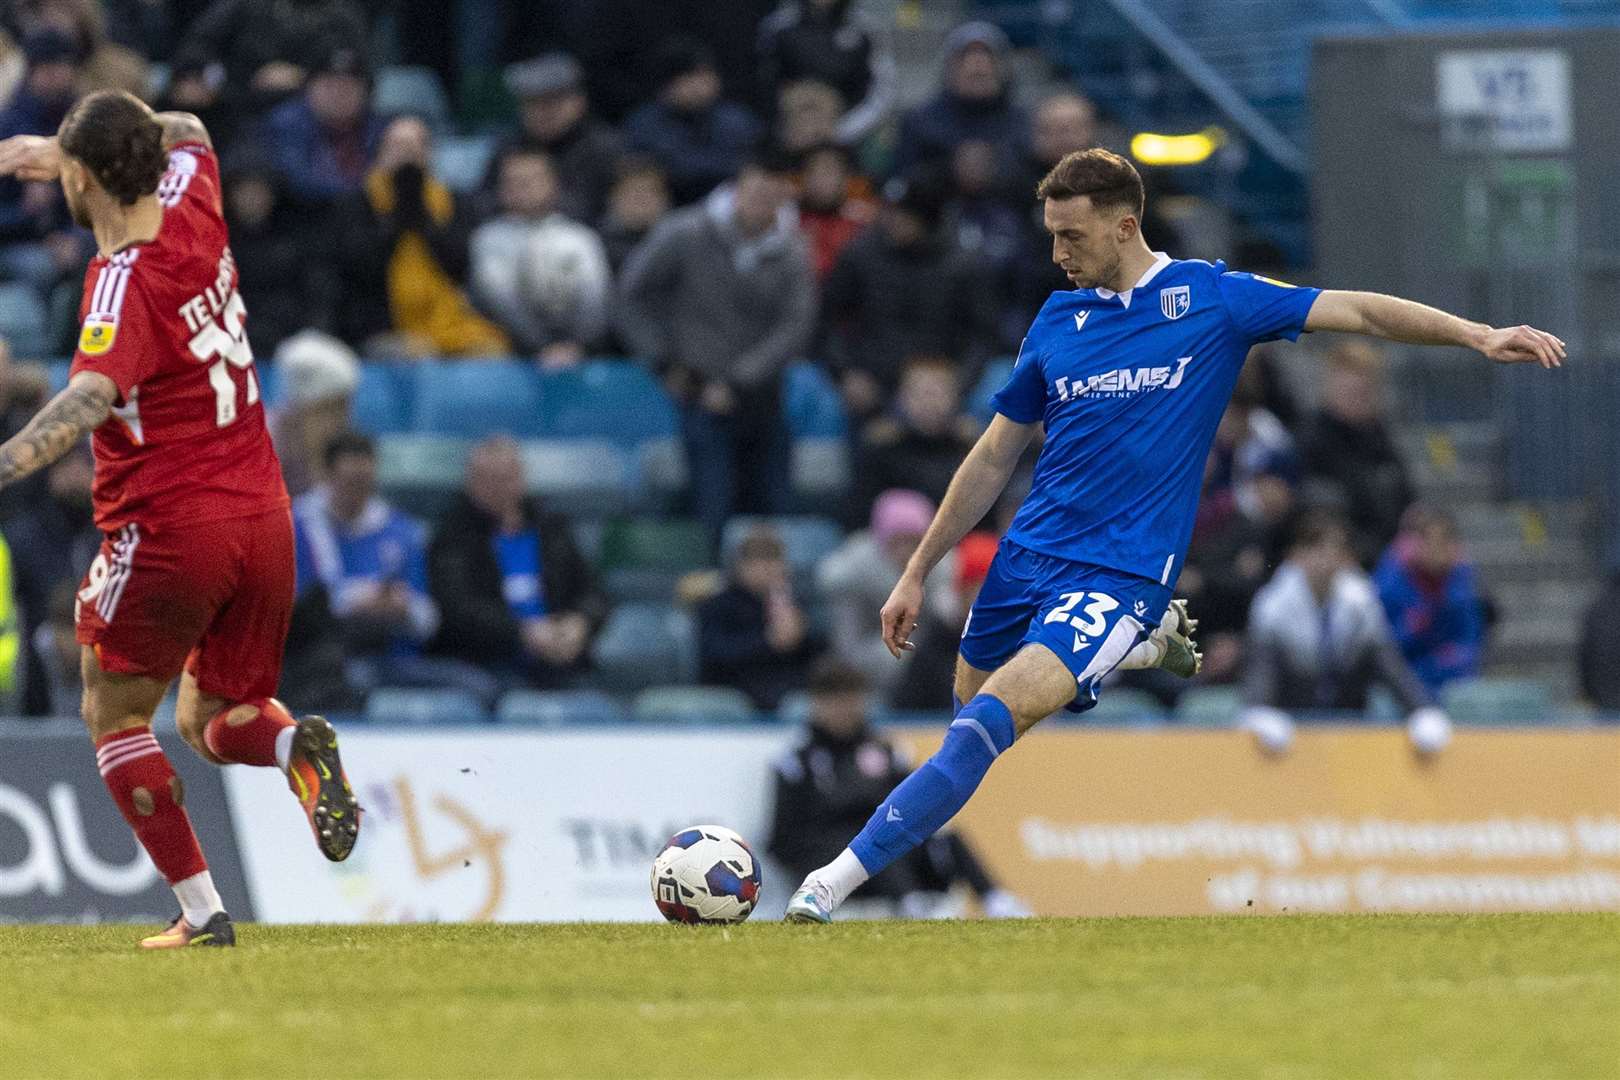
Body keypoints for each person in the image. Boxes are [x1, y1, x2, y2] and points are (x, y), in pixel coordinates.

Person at [781, 147, 1564, 923]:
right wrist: (918, 569)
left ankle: (828, 884)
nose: (1056, 254)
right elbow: (995, 453)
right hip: (1025, 559)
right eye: (1050, 235)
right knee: (969, 720)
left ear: (1125, 227)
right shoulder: (1058, 319)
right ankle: (1146, 645)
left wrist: (1476, 334)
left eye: (1072, 237)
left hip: (1119, 570)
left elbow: (1353, 310)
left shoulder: (1212, 299)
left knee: (987, 723)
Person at [0, 92, 368, 947]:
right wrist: (69, 144)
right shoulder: (196, 199)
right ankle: (292, 750)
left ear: (81, 177)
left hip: (172, 527)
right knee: (211, 719)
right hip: (266, 517)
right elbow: (194, 128)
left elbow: (92, 393)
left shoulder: (122, 280)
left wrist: (7, 458)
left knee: (115, 713)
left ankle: (202, 915)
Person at [618, 153, 814, 544]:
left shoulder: (792, 251)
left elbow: (795, 325)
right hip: (696, 390)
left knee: (775, 511)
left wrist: (739, 381)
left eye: (774, 195)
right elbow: (630, 296)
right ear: (739, 187)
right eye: (757, 190)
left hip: (763, 398)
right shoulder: (686, 232)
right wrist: (664, 362)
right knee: (713, 506)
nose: (763, 202)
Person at [767, 656, 1027, 919]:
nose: (844, 708)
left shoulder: (887, 751)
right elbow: (784, 837)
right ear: (816, 703)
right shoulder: (797, 761)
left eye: (850, 697)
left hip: (894, 851)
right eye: (834, 699)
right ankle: (911, 904)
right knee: (869, 836)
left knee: (944, 837)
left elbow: (920, 804)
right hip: (832, 858)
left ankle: (997, 900)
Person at [292, 432, 497, 706]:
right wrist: (360, 602)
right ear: (328, 477)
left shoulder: (402, 532)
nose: (358, 491)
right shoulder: (300, 528)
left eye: (366, 481)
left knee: (479, 687)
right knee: (344, 685)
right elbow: (301, 609)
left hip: (398, 659)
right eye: (350, 482)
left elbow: (429, 618)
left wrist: (404, 607)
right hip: (331, 662)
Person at [1244, 511, 1444, 749]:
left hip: (1350, 724)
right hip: (1288, 727)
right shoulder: (1272, 606)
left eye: (1335, 550)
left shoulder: (1361, 601)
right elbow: (1261, 670)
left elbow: (1389, 664)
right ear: (1297, 555)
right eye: (1318, 549)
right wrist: (1260, 712)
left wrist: (1422, 710)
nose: (1327, 558)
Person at [427, 436, 603, 689]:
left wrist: (579, 622)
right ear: (471, 483)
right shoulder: (452, 536)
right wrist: (522, 633)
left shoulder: (552, 529)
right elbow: (456, 608)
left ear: (521, 478)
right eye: (488, 479)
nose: (498, 488)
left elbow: (593, 591)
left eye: (506, 477)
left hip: (562, 660)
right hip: (485, 663)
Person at [821, 171, 996, 420]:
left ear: (927, 218)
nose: (893, 221)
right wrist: (847, 372)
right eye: (889, 212)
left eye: (904, 215)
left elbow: (983, 335)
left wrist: (957, 383)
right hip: (871, 380)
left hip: (941, 379)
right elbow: (828, 321)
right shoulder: (860, 255)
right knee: (820, 397)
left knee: (998, 390)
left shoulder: (962, 264)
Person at [331, 114, 509, 358]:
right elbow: (360, 268)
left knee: (493, 353)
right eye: (398, 147)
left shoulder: (452, 201)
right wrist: (397, 216)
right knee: (417, 356)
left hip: (450, 322)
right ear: (381, 152)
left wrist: (421, 214)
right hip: (381, 327)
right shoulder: (356, 203)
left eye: (415, 146)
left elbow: (459, 266)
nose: (407, 156)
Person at [471, 145, 611, 366]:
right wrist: (541, 347)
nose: (521, 188)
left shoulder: (580, 237)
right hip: (512, 355)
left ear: (553, 184)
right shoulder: (487, 238)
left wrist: (578, 346)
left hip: (579, 353)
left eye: (531, 180)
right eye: (512, 181)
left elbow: (594, 299)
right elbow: (499, 300)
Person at [817, 488, 955, 698]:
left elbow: (947, 634)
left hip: (930, 677)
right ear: (881, 540)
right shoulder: (852, 576)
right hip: (866, 681)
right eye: (898, 541)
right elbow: (847, 649)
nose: (906, 550)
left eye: (913, 541)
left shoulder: (943, 571)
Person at [1298, 341, 1414, 565]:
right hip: (1343, 558)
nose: (1358, 397)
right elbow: (1320, 512)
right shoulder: (1311, 440)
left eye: (1364, 392)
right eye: (1350, 391)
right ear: (1330, 386)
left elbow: (1407, 499)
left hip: (1389, 553)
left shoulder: (1380, 437)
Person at [3, 441, 98, 715]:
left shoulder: (109, 537)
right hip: (31, 687)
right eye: (67, 465)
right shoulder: (19, 538)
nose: (77, 475)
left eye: (85, 466)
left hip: (100, 685)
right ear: (50, 473)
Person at [0, 29, 89, 296]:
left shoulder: (82, 122)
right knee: (42, 268)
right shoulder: (7, 125)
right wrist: (27, 214)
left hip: (68, 236)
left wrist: (74, 238)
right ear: (32, 71)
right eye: (50, 67)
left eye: (64, 66)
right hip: (16, 241)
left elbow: (97, 193)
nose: (59, 75)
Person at [623, 37, 762, 206]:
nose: (702, 84)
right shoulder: (645, 125)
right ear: (669, 84)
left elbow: (750, 168)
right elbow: (655, 177)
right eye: (692, 77)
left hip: (732, 209)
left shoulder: (737, 120)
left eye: (707, 74)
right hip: (669, 211)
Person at [696, 526, 823, 710]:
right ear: (741, 566)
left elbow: (815, 657)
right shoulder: (718, 605)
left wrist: (799, 636)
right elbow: (714, 654)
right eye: (758, 560)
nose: (768, 568)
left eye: (774, 559)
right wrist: (768, 641)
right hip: (736, 688)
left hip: (785, 688)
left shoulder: (793, 604)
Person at [852, 355, 981, 523]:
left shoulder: (972, 449)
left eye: (938, 393)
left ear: (956, 397)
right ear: (901, 399)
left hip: (957, 542)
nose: (929, 402)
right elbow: (858, 513)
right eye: (920, 393)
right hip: (889, 542)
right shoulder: (881, 446)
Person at [499, 53, 624, 226]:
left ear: (578, 101)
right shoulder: (512, 146)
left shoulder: (604, 148)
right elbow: (484, 201)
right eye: (531, 102)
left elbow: (614, 212)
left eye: (550, 102)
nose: (540, 112)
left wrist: (541, 202)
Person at [1373, 505, 1486, 695]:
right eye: (1428, 540)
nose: (1436, 549)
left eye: (1444, 540)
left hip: (1449, 684)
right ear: (1412, 544)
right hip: (1397, 688)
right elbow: (1382, 650)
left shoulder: (1462, 585)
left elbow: (1469, 645)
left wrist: (1441, 664)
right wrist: (1412, 627)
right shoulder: (1389, 584)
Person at [894, 22, 1027, 178]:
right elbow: (900, 183)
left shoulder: (1025, 123)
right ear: (949, 69)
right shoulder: (920, 122)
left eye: (988, 58)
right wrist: (949, 168)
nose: (978, 66)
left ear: (1003, 68)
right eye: (965, 58)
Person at [757, 0, 896, 148]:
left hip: (847, 132)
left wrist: (841, 130)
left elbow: (882, 91)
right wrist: (787, 126)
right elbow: (762, 82)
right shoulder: (778, 26)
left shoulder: (866, 30)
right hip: (787, 128)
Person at [260, 42, 382, 209]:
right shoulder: (287, 123)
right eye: (329, 86)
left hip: (368, 223)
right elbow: (298, 183)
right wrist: (365, 191)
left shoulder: (380, 128)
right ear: (309, 88)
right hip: (305, 220)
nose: (338, 94)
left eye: (348, 87)